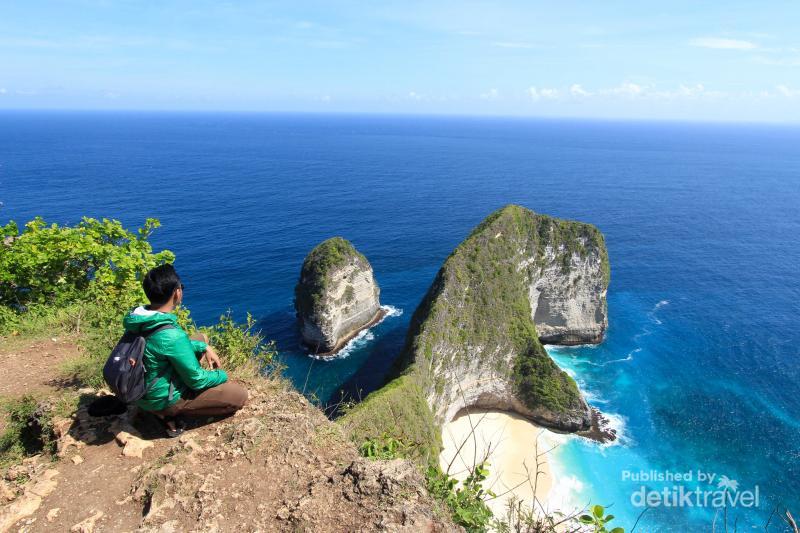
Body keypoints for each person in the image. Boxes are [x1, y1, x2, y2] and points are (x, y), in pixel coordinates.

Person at [123, 264, 248, 437]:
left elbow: (165, 347)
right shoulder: (171, 335)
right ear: (177, 293)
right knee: (239, 396)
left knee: (200, 338)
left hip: (141, 387)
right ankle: (169, 413)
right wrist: (221, 375)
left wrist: (204, 346)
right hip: (162, 398)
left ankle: (158, 406)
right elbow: (196, 381)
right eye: (181, 287)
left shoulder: (139, 318)